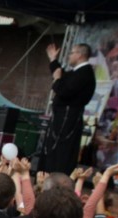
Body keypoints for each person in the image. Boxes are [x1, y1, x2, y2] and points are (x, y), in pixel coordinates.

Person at [40, 43, 96, 174]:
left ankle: (54, 179)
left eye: (71, 53)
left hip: (67, 119)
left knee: (60, 152)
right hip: (61, 117)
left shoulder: (84, 73)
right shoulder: (76, 72)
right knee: (51, 150)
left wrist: (56, 80)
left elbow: (63, 89)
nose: (69, 56)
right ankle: (45, 177)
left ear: (80, 55)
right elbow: (61, 74)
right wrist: (53, 60)